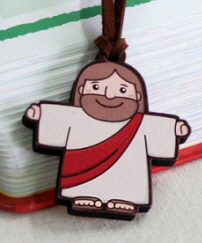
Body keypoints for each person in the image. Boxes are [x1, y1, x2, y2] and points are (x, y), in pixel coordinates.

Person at [24, 60, 190, 219]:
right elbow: (56, 118)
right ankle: (83, 195)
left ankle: (125, 199)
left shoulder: (141, 122)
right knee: (84, 189)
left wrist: (174, 130)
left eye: (122, 90)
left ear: (138, 96)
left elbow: (159, 129)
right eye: (96, 87)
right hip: (81, 176)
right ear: (81, 90)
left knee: (127, 181)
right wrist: (40, 115)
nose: (110, 95)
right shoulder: (74, 115)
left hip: (128, 173)